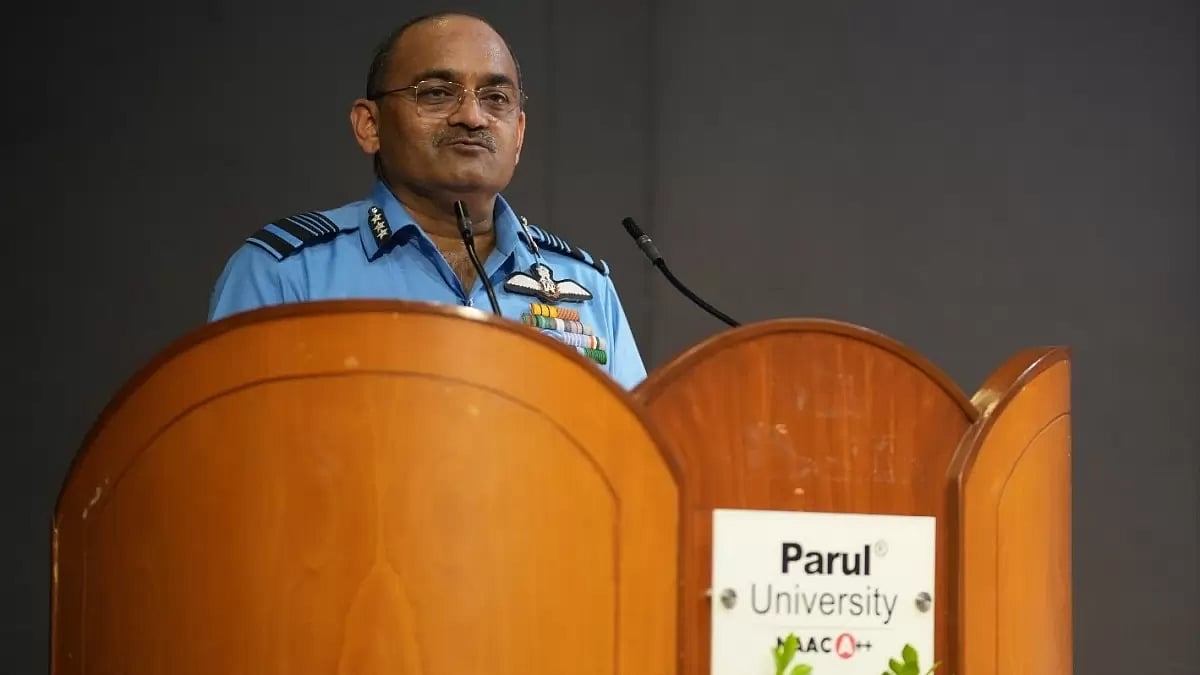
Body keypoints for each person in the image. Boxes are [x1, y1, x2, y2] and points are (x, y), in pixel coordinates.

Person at [207, 12, 647, 389]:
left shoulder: (586, 289)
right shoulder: (286, 275)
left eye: (496, 98)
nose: (472, 117)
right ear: (369, 125)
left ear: (519, 135)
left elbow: (634, 466)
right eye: (437, 93)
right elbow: (234, 465)